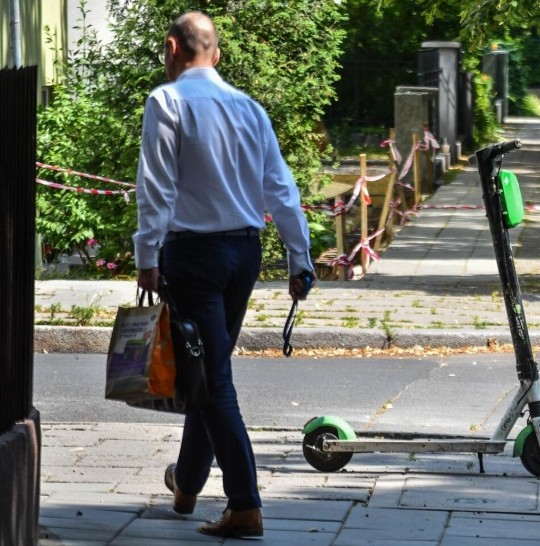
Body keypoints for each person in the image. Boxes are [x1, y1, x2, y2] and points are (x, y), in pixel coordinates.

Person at [133, 11, 316, 539]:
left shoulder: (166, 103)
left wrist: (147, 254)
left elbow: (157, 187)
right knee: (205, 367)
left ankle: (245, 504)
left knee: (211, 377)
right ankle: (187, 485)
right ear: (215, 53)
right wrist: (300, 258)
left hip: (192, 256)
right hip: (244, 254)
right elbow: (281, 190)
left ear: (172, 47)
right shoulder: (248, 108)